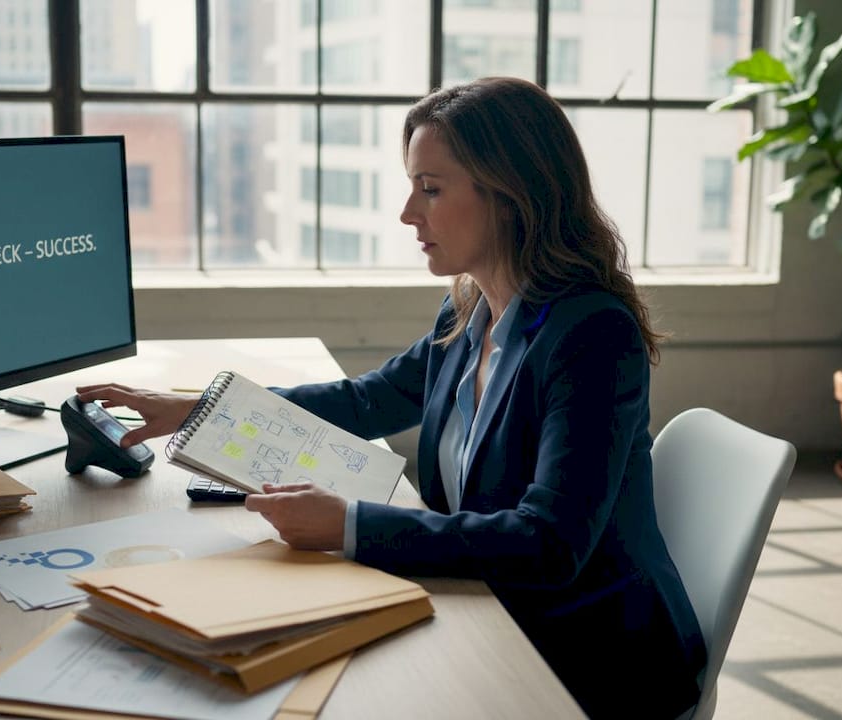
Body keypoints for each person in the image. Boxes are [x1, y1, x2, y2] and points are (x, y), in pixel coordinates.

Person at [77, 76, 705, 719]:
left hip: (591, 660)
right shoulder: (471, 307)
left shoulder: (592, 335)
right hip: (495, 610)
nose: (409, 213)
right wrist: (204, 410)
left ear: (511, 195)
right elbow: (370, 400)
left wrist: (347, 525)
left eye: (430, 190)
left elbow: (550, 544)